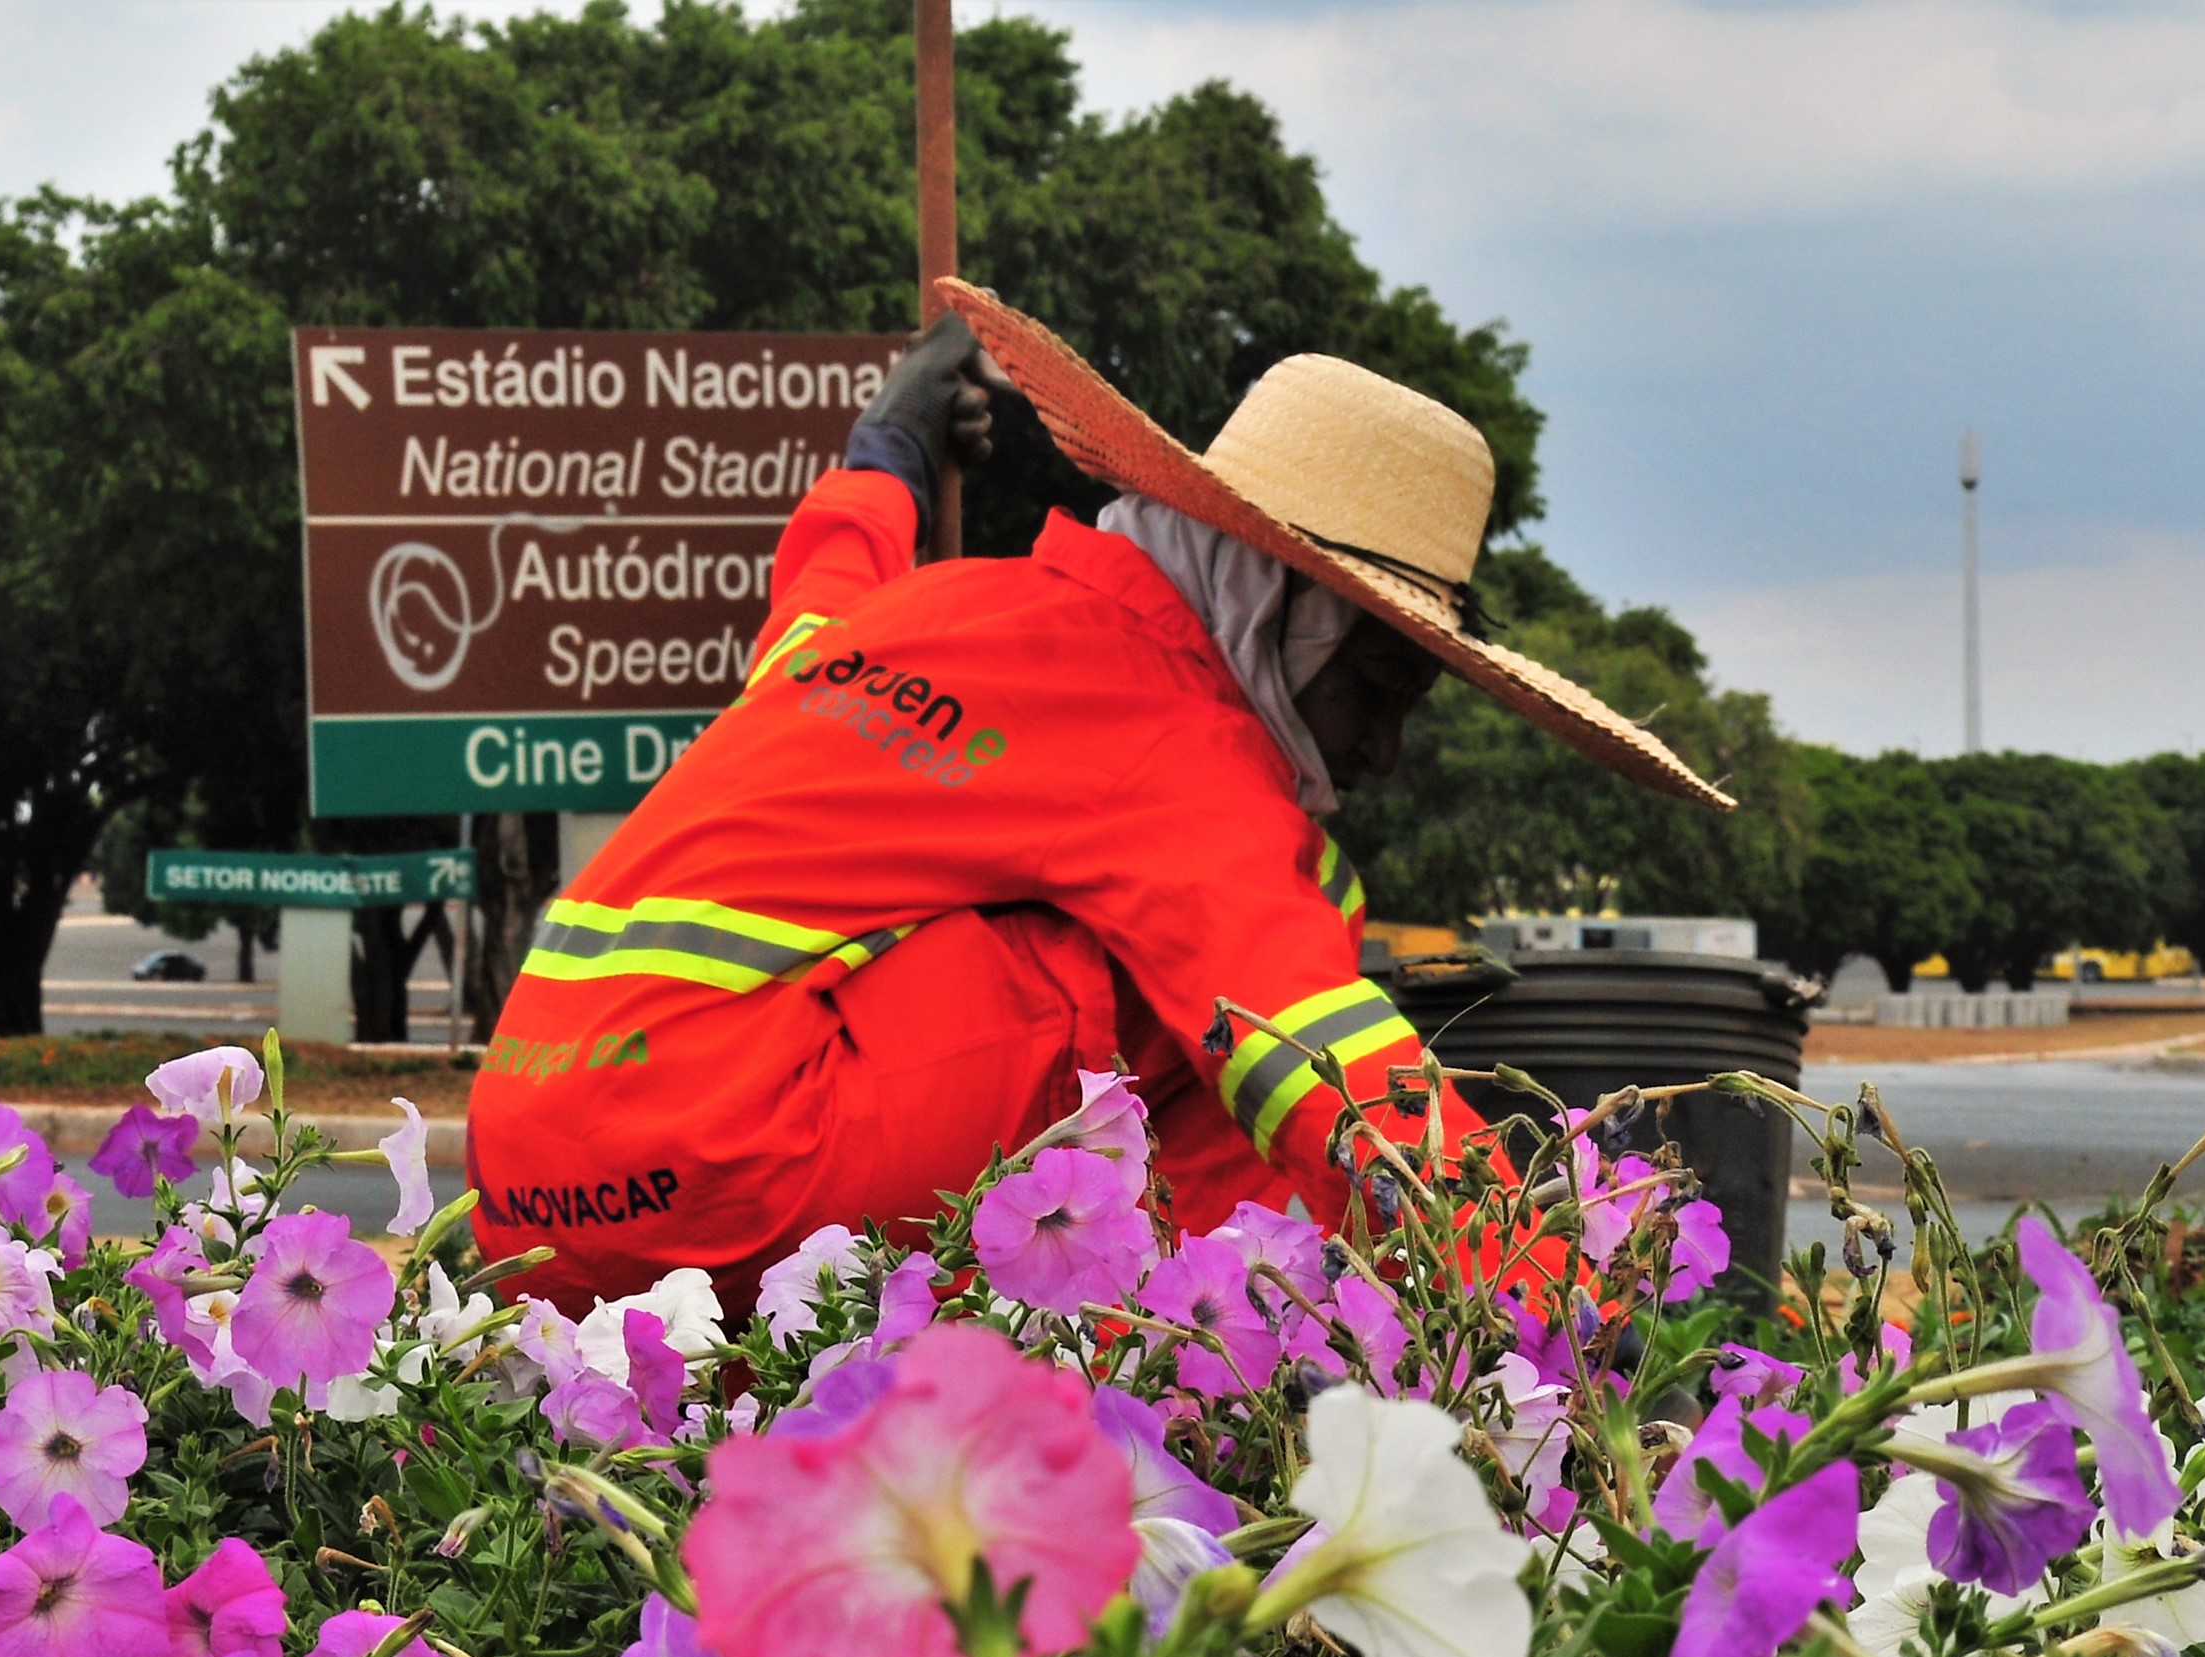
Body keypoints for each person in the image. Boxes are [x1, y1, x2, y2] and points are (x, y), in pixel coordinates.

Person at [466, 279, 1721, 1311]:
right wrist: (1557, 1302)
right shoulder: (1172, 746)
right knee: (1216, 990)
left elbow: (805, 624)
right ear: (1283, 612)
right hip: (728, 1179)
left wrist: (881, 459)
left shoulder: (950, 613)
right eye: (1382, 679)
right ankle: (1205, 1332)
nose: (1382, 749)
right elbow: (1322, 1061)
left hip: (529, 1165)